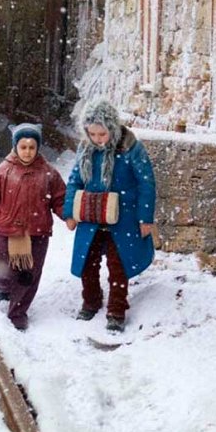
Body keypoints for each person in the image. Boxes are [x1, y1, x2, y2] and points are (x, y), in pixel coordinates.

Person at [63, 98, 157, 332]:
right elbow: (75, 180)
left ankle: (116, 309)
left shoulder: (130, 147)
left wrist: (145, 218)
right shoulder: (86, 149)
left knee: (119, 264)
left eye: (102, 134)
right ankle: (91, 300)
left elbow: (146, 183)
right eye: (92, 134)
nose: (98, 139)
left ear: (112, 128)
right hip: (91, 217)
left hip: (122, 218)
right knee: (88, 262)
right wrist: (70, 213)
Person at [0, 123, 66, 331]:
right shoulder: (5, 170)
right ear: (15, 147)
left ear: (37, 148)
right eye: (23, 147)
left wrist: (69, 215)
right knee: (4, 266)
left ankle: (18, 312)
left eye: (31, 147)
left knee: (29, 274)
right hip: (8, 231)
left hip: (37, 233)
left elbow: (60, 199)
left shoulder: (48, 173)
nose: (27, 151)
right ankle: (4, 285)